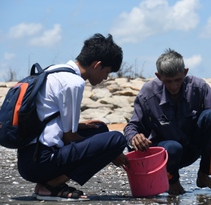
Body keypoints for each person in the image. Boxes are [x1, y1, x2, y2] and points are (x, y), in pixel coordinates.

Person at [17, 33, 129, 201]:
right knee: (117, 139)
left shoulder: (52, 70)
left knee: (100, 129)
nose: (106, 78)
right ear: (97, 65)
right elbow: (70, 138)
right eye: (107, 72)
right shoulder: (73, 83)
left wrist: (83, 127)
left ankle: (47, 183)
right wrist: (111, 152)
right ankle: (52, 184)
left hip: (28, 158)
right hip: (42, 162)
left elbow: (47, 117)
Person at [124, 48, 211, 195]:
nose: (173, 86)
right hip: (166, 155)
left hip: (191, 149)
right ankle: (173, 181)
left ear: (185, 72)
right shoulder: (148, 93)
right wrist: (135, 137)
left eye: (178, 80)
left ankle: (203, 174)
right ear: (159, 76)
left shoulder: (199, 88)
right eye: (168, 81)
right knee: (173, 147)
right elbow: (132, 127)